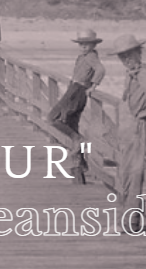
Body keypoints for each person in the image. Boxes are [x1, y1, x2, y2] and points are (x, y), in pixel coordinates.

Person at [110, 34, 146, 232]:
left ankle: (130, 221)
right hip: (128, 130)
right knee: (126, 172)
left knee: (133, 173)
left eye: (129, 54)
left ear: (138, 52)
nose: (126, 59)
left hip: (136, 128)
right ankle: (127, 217)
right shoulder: (133, 72)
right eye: (122, 56)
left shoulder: (141, 72)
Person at [47, 29, 106, 184]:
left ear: (93, 45)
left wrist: (93, 87)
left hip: (78, 91)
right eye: (81, 44)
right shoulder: (83, 56)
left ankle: (77, 140)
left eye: (87, 44)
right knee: (71, 123)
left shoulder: (92, 56)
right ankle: (81, 164)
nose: (83, 47)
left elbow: (100, 69)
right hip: (74, 88)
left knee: (52, 118)